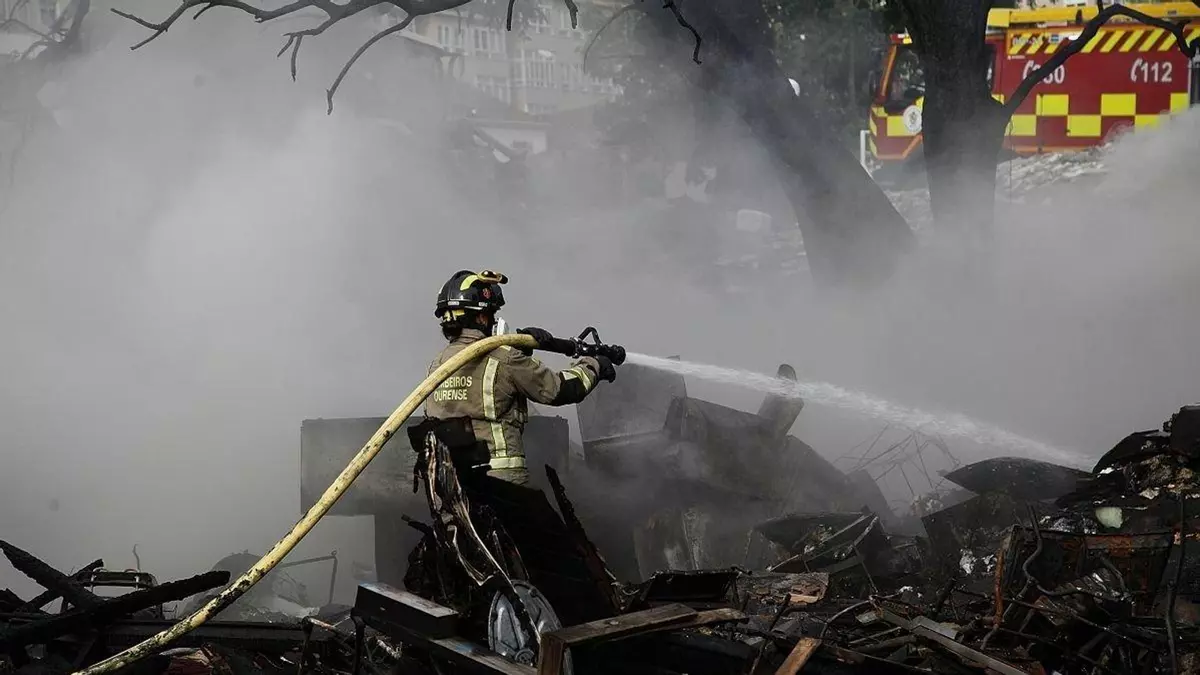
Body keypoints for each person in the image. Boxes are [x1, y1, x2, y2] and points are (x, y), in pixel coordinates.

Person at [423, 269, 618, 486]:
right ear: (480, 316)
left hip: (451, 487)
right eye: (491, 314)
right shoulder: (504, 359)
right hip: (500, 487)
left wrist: (521, 354)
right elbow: (560, 390)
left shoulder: (437, 365)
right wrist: (594, 365)